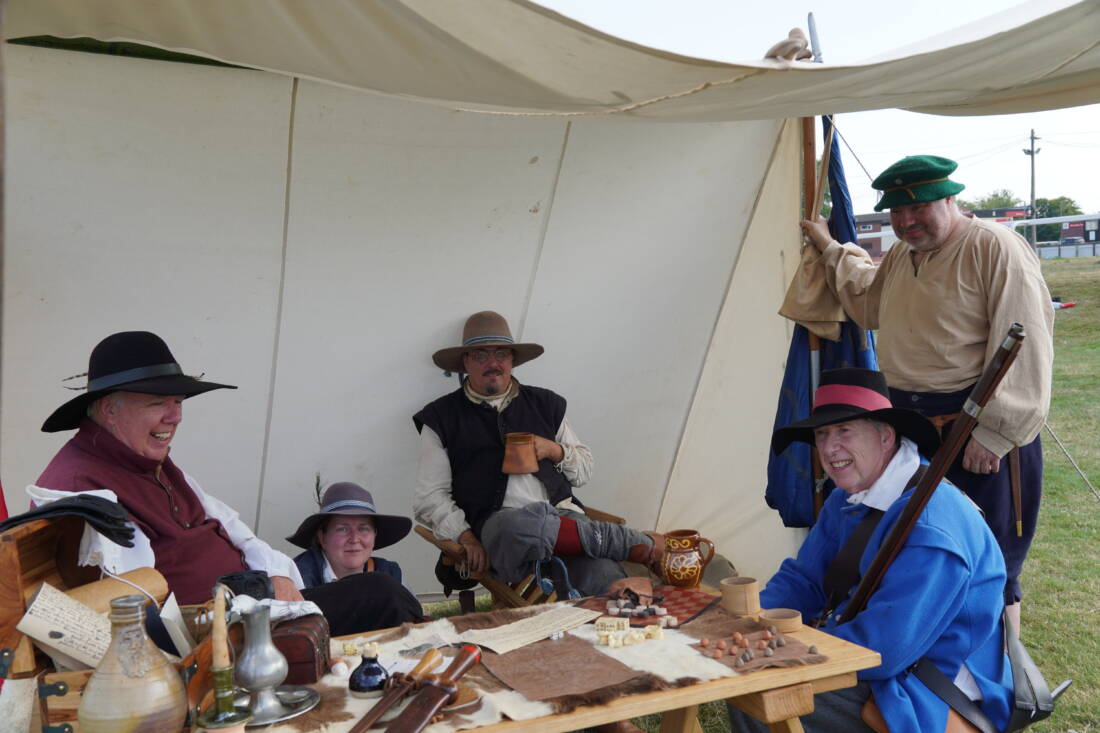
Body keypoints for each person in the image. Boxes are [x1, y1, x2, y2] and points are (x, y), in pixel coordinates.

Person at [799, 155, 1053, 629]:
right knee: (918, 547)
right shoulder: (904, 253)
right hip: (912, 428)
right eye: (896, 212)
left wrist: (994, 435)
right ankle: (925, 663)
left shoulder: (994, 247)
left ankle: (1000, 681)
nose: (906, 222)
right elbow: (869, 302)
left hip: (975, 428)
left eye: (918, 209)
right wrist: (832, 249)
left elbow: (1026, 345)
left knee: (988, 559)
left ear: (950, 198)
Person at [33, 331, 421, 635]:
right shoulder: (79, 488)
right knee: (380, 594)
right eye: (156, 403)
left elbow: (233, 529)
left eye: (179, 402)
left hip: (249, 609)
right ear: (108, 410)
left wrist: (276, 573)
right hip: (211, 638)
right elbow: (137, 605)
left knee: (381, 590)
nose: (175, 417)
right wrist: (251, 605)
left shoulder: (151, 461)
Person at [729, 368, 1012, 733]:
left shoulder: (932, 528)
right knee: (747, 677)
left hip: (926, 685)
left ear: (885, 436)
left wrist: (781, 650)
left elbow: (886, 649)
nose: (830, 449)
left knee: (763, 694)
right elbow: (805, 581)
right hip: (878, 658)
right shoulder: (846, 497)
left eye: (844, 431)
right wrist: (748, 625)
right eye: (821, 434)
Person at [413, 310, 663, 599]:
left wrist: (554, 450)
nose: (493, 364)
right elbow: (429, 497)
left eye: (502, 354)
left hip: (565, 520)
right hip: (501, 529)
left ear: (512, 361)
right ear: (466, 362)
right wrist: (466, 537)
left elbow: (584, 470)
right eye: (481, 355)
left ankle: (623, 623)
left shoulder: (545, 404)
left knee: (602, 576)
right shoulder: (441, 418)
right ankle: (633, 543)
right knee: (515, 525)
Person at [287, 481, 411, 587]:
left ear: (375, 536)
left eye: (363, 529)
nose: (354, 539)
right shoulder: (296, 578)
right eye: (343, 529)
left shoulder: (390, 574)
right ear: (322, 537)